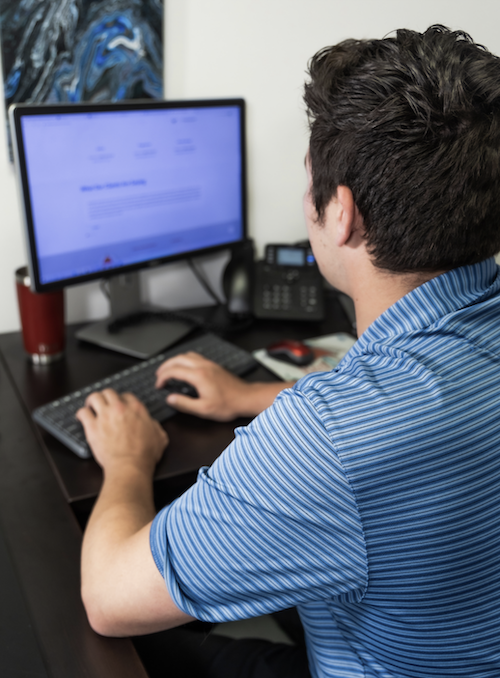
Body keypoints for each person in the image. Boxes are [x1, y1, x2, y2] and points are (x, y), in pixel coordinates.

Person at [76, 25, 500, 678]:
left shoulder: (327, 438)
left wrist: (129, 464)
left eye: (309, 180)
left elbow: (108, 598)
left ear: (342, 215)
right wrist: (249, 396)